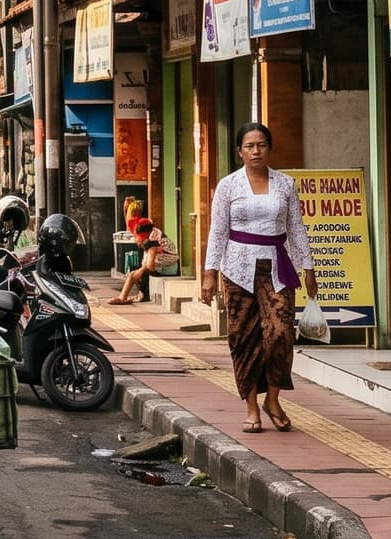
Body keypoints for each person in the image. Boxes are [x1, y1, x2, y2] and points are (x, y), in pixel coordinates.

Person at [202, 121, 316, 435]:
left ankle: (274, 399)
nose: (256, 151)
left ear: (269, 148)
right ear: (240, 151)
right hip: (237, 269)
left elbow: (296, 228)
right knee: (243, 337)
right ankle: (252, 406)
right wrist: (209, 273)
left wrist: (308, 268)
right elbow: (218, 231)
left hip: (276, 268)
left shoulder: (285, 184)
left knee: (280, 333)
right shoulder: (228, 186)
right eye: (249, 146)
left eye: (261, 144)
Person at [110, 197, 175, 306]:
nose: (137, 239)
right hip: (165, 264)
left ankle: (123, 297)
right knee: (138, 271)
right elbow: (129, 224)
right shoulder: (152, 231)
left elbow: (150, 267)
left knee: (133, 275)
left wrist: (139, 271)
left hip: (168, 268)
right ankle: (141, 294)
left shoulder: (152, 241)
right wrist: (126, 209)